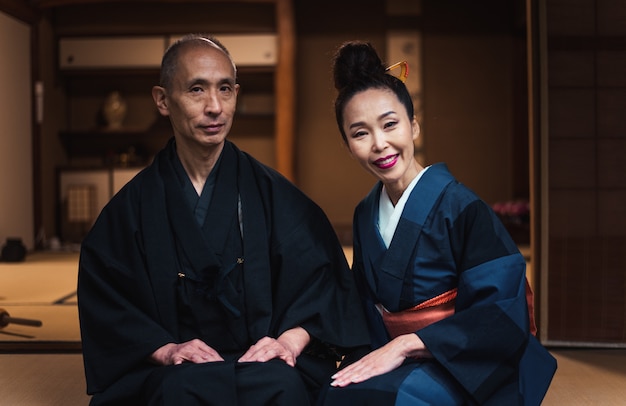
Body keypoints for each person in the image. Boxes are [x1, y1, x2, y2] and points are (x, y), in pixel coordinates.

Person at [77, 34, 370, 406]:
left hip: (263, 362)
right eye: (196, 90)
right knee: (177, 393)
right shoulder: (131, 207)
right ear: (163, 100)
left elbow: (323, 283)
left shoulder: (274, 195)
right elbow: (107, 300)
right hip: (175, 369)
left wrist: (287, 341)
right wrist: (165, 350)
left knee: (285, 388)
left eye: (225, 89)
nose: (214, 106)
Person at [321, 41, 557, 405]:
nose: (380, 144)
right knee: (333, 393)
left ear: (413, 126)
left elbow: (500, 312)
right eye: (360, 133)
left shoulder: (463, 208)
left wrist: (410, 344)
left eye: (390, 124)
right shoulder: (365, 213)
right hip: (391, 352)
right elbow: (361, 307)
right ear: (347, 144)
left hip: (458, 359)